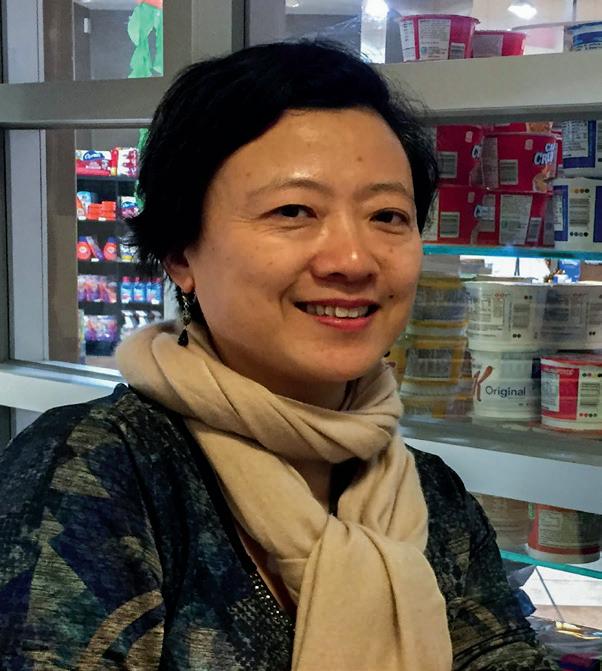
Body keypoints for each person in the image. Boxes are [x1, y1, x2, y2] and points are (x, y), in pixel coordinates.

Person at [0, 41, 558, 671]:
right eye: (293, 211)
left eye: (387, 215)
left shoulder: (430, 495)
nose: (353, 260)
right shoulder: (100, 473)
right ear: (181, 253)